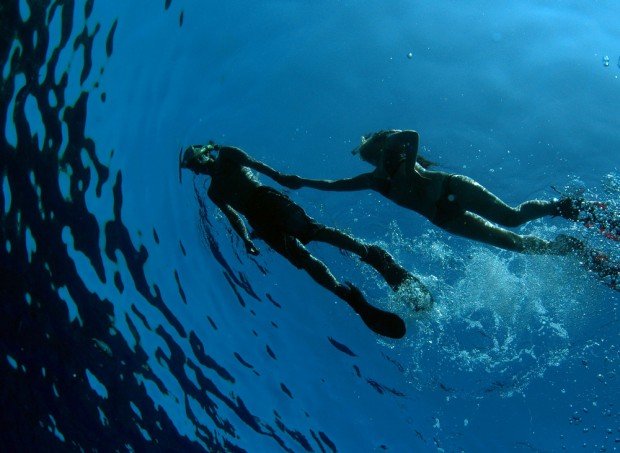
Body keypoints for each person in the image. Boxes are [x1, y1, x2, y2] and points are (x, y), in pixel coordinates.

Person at [275, 129, 619, 289]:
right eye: (369, 157)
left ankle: (561, 207)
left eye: (371, 152)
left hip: (453, 188)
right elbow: (335, 186)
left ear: (380, 149)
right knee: (517, 245)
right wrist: (301, 181)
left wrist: (395, 148)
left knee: (513, 218)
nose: (370, 159)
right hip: (445, 217)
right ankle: (572, 249)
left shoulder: (403, 160)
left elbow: (409, 133)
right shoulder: (374, 181)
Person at [179, 142, 431, 339]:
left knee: (314, 231)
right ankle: (346, 295)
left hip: (267, 198)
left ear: (204, 154)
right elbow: (233, 216)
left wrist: (280, 177)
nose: (196, 167)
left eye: (195, 160)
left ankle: (367, 253)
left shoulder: (228, 156)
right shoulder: (214, 192)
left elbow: (256, 166)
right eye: (192, 167)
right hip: (258, 221)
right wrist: (246, 238)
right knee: (302, 259)